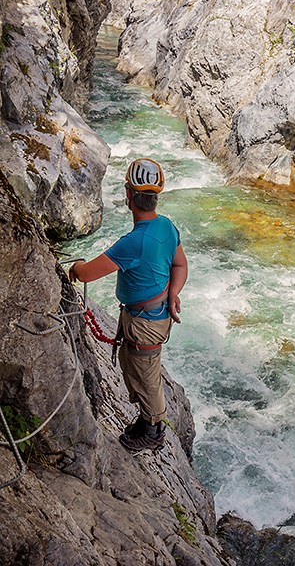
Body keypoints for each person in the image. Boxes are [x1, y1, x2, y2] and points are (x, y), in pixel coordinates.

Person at [69, 158, 188, 453]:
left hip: (144, 322)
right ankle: (147, 422)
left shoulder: (132, 242)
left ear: (128, 196)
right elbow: (180, 264)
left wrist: (76, 265)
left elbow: (85, 274)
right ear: (155, 197)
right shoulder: (166, 227)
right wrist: (173, 293)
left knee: (145, 375)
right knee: (134, 368)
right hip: (152, 315)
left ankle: (154, 430)